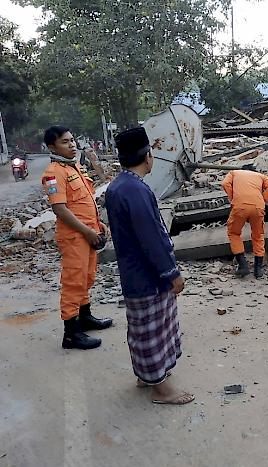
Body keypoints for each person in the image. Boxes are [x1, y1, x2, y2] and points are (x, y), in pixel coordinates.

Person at [105, 127, 194, 405]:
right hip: (148, 276)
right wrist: (171, 273)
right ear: (148, 156)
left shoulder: (118, 186)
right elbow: (152, 238)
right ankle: (161, 388)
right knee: (155, 330)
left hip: (134, 273)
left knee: (142, 328)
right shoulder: (136, 190)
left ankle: (146, 375)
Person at [41, 126, 113, 350]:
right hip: (74, 236)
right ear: (52, 147)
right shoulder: (54, 173)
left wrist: (97, 224)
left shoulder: (76, 168)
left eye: (72, 140)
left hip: (88, 231)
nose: (71, 145)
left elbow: (85, 203)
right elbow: (60, 209)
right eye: (65, 142)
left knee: (87, 277)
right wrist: (87, 231)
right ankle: (71, 333)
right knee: (74, 282)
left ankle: (85, 317)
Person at [222, 167, 268, 278]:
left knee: (234, 233)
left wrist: (233, 198)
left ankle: (242, 266)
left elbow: (225, 183)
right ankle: (258, 270)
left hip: (240, 206)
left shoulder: (234, 172)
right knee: (258, 235)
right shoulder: (261, 176)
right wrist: (263, 199)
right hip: (258, 207)